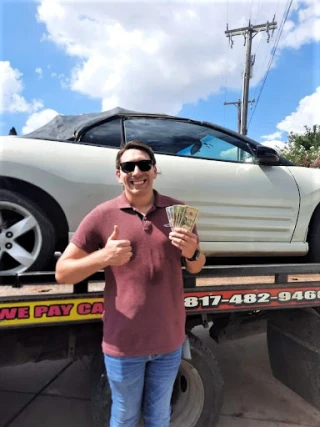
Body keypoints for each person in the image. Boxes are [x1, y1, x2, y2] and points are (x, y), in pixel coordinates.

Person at [55, 140, 206, 427]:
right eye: (128, 166)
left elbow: (197, 265)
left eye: (144, 165)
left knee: (159, 415)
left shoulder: (178, 211)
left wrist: (192, 252)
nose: (136, 171)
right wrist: (104, 257)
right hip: (123, 344)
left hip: (169, 341)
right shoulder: (102, 214)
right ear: (118, 174)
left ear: (155, 170)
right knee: (123, 416)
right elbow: (63, 273)